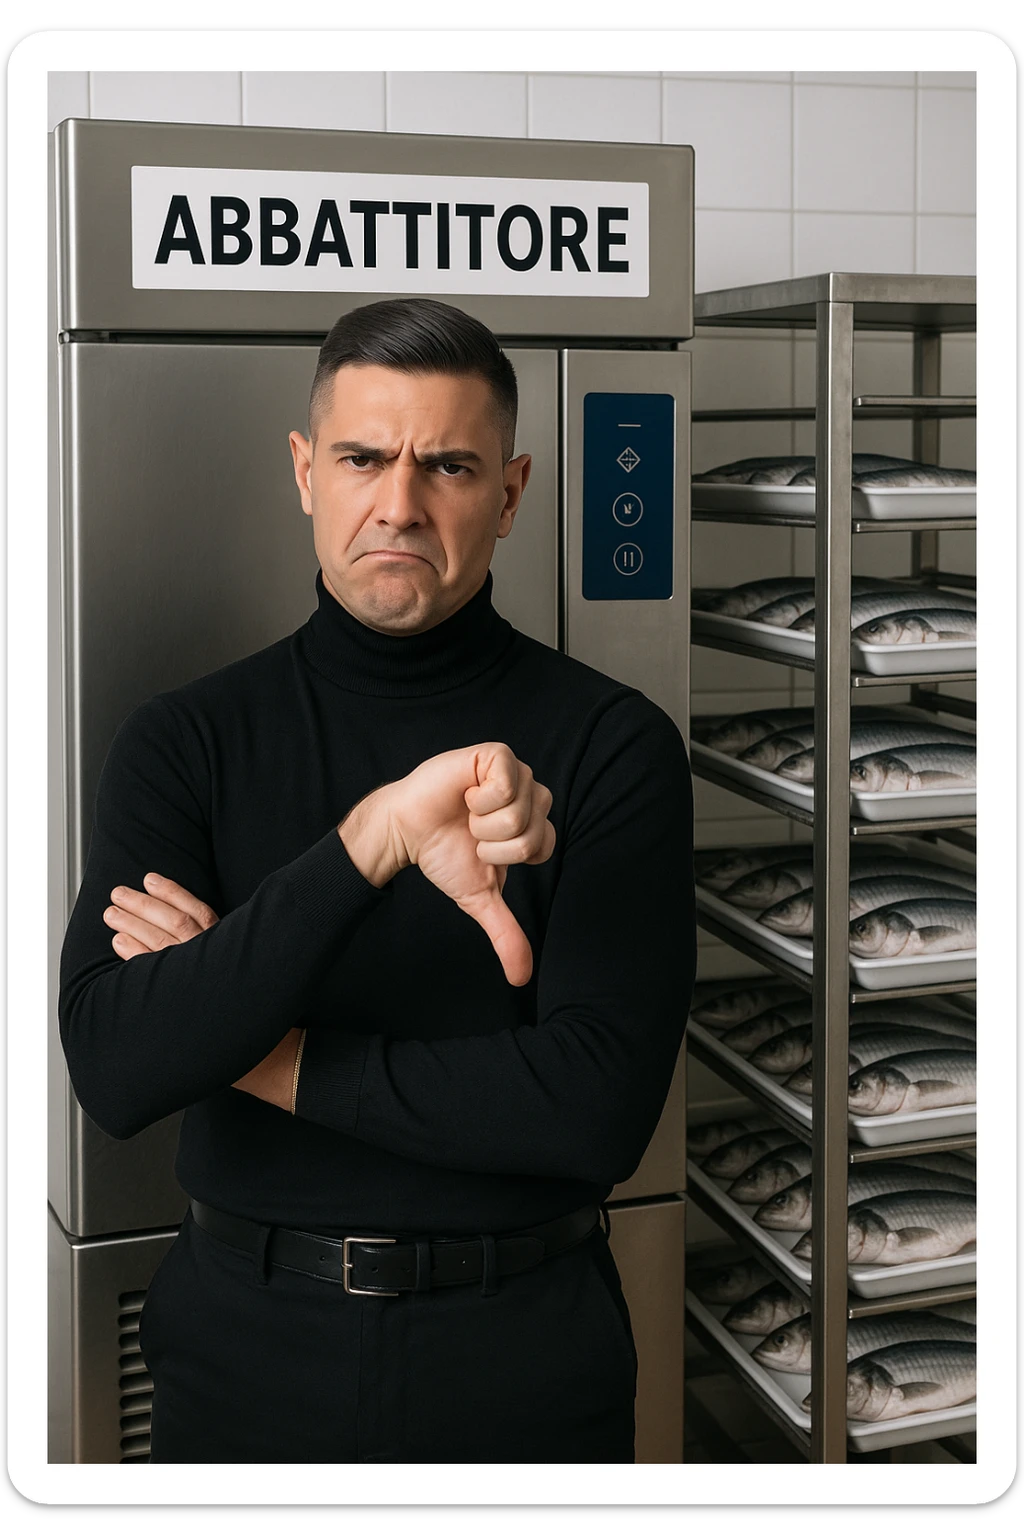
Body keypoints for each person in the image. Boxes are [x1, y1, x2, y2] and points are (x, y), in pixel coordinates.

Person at [58, 297, 696, 1465]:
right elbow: (114, 1065)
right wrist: (371, 843)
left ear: (508, 494)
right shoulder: (186, 741)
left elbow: (595, 1109)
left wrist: (250, 1041)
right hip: (244, 1354)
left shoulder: (613, 744)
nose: (397, 504)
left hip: (527, 1359)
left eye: (447, 466)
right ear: (307, 472)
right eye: (362, 457)